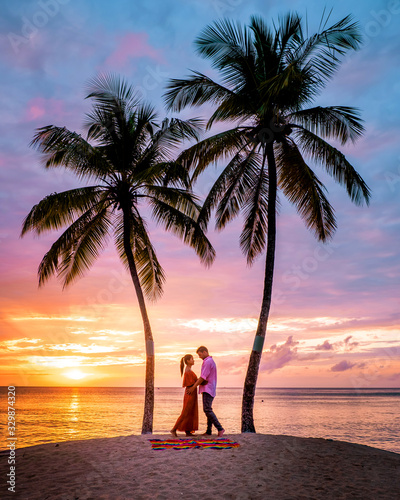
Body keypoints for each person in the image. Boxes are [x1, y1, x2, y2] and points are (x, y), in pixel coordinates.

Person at [187, 346, 224, 437]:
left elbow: (203, 377)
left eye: (200, 354)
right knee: (208, 409)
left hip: (208, 388)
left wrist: (193, 388)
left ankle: (220, 428)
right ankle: (208, 431)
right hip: (208, 388)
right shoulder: (208, 361)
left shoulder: (208, 362)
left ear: (204, 352)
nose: (199, 357)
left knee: (207, 409)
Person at [170, 354, 199, 437]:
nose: (193, 360)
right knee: (185, 412)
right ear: (187, 361)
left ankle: (188, 431)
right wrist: (201, 380)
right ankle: (174, 429)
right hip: (190, 393)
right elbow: (191, 383)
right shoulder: (188, 371)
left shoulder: (189, 369)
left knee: (190, 412)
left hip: (191, 392)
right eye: (192, 359)